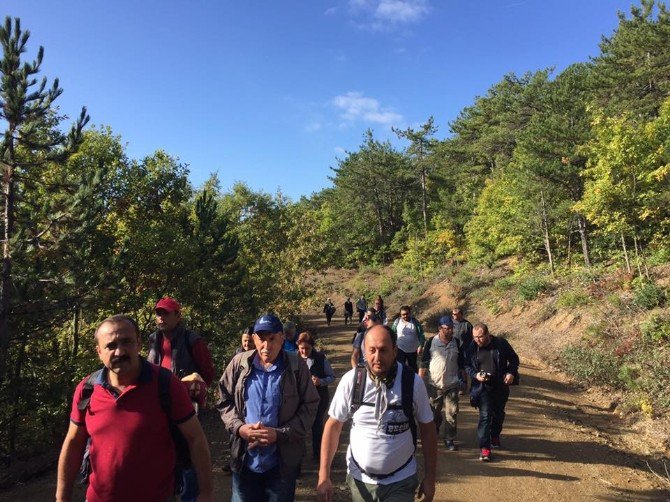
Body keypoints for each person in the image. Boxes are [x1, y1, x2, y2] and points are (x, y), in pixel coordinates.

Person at [56, 315, 214, 502]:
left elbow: (195, 438)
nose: (119, 352)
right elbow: (74, 443)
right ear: (99, 351)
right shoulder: (87, 390)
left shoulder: (165, 384)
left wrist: (206, 493)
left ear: (138, 344)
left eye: (126, 342)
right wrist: (62, 497)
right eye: (110, 346)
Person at [317, 325, 437, 502]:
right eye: (371, 350)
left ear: (395, 351)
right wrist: (323, 476)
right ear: (364, 350)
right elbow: (333, 426)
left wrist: (430, 478)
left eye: (383, 350)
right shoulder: (352, 381)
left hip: (401, 480)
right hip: (361, 480)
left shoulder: (412, 382)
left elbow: (428, 429)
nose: (377, 357)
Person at [218, 313, 320, 501]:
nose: (266, 346)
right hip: (244, 459)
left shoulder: (296, 366)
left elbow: (311, 405)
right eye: (261, 339)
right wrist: (240, 428)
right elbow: (224, 400)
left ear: (282, 337)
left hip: (281, 464)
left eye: (272, 339)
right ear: (254, 339)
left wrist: (280, 433)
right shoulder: (239, 363)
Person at [147, 297, 216, 500]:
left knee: (188, 456)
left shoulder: (192, 340)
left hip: (185, 408)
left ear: (178, 316)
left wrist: (194, 387)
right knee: (162, 455)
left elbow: (208, 372)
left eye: (166, 313)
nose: (161, 318)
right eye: (158, 313)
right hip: (158, 409)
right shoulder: (153, 340)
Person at [464, 323, 519, 461]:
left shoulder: (500, 344)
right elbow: (467, 365)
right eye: (475, 337)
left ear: (488, 334)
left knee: (498, 414)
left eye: (480, 337)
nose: (477, 340)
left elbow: (514, 359)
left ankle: (495, 435)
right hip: (483, 389)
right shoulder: (472, 347)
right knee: (485, 416)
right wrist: (475, 375)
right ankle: (485, 448)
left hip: (501, 387)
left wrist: (511, 372)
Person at [419, 316, 467, 451]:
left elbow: (461, 364)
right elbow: (423, 363)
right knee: (434, 412)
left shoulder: (457, 343)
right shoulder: (430, 342)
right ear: (440, 329)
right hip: (435, 384)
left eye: (451, 328)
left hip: (452, 384)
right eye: (447, 328)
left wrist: (464, 381)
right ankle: (433, 432)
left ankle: (449, 439)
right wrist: (419, 382)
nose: (450, 331)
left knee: (451, 413)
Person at [296, 331, 335, 462]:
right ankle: (298, 457)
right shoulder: (293, 358)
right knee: (298, 426)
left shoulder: (320, 358)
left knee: (317, 426)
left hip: (319, 398)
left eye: (307, 348)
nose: (304, 351)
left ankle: (318, 455)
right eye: (302, 348)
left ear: (312, 347)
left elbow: (331, 377)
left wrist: (320, 381)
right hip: (298, 399)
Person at [390, 306, 425, 373]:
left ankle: (414, 381)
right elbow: (392, 333)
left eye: (407, 314)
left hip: (412, 349)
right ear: (400, 315)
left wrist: (421, 345)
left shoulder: (415, 322)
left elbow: (421, 334)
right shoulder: (397, 322)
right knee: (399, 367)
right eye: (403, 314)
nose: (405, 316)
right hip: (400, 349)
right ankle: (400, 380)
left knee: (413, 367)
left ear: (410, 313)